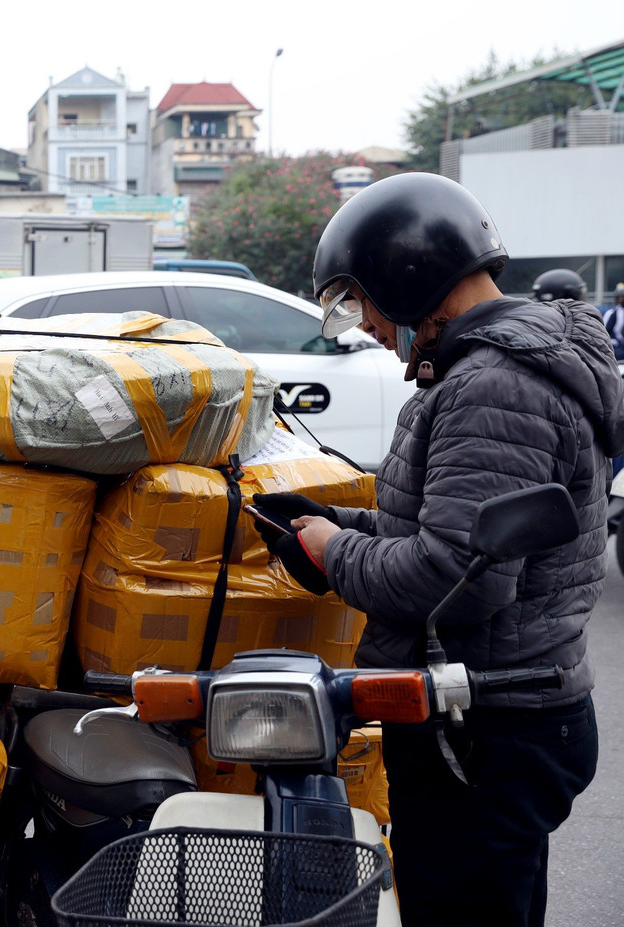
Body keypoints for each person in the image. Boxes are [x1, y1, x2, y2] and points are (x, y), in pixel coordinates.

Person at [256, 172, 623, 927]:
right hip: (503, 711)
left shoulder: (494, 385)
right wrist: (333, 526)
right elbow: (449, 535)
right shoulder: (490, 371)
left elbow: (459, 578)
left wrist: (334, 552)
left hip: (483, 726)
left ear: (407, 277)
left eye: (369, 307)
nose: (374, 332)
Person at [601, 282, 624, 362]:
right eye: (620, 298)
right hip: (616, 346)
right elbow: (604, 332)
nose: (621, 300)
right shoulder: (613, 313)